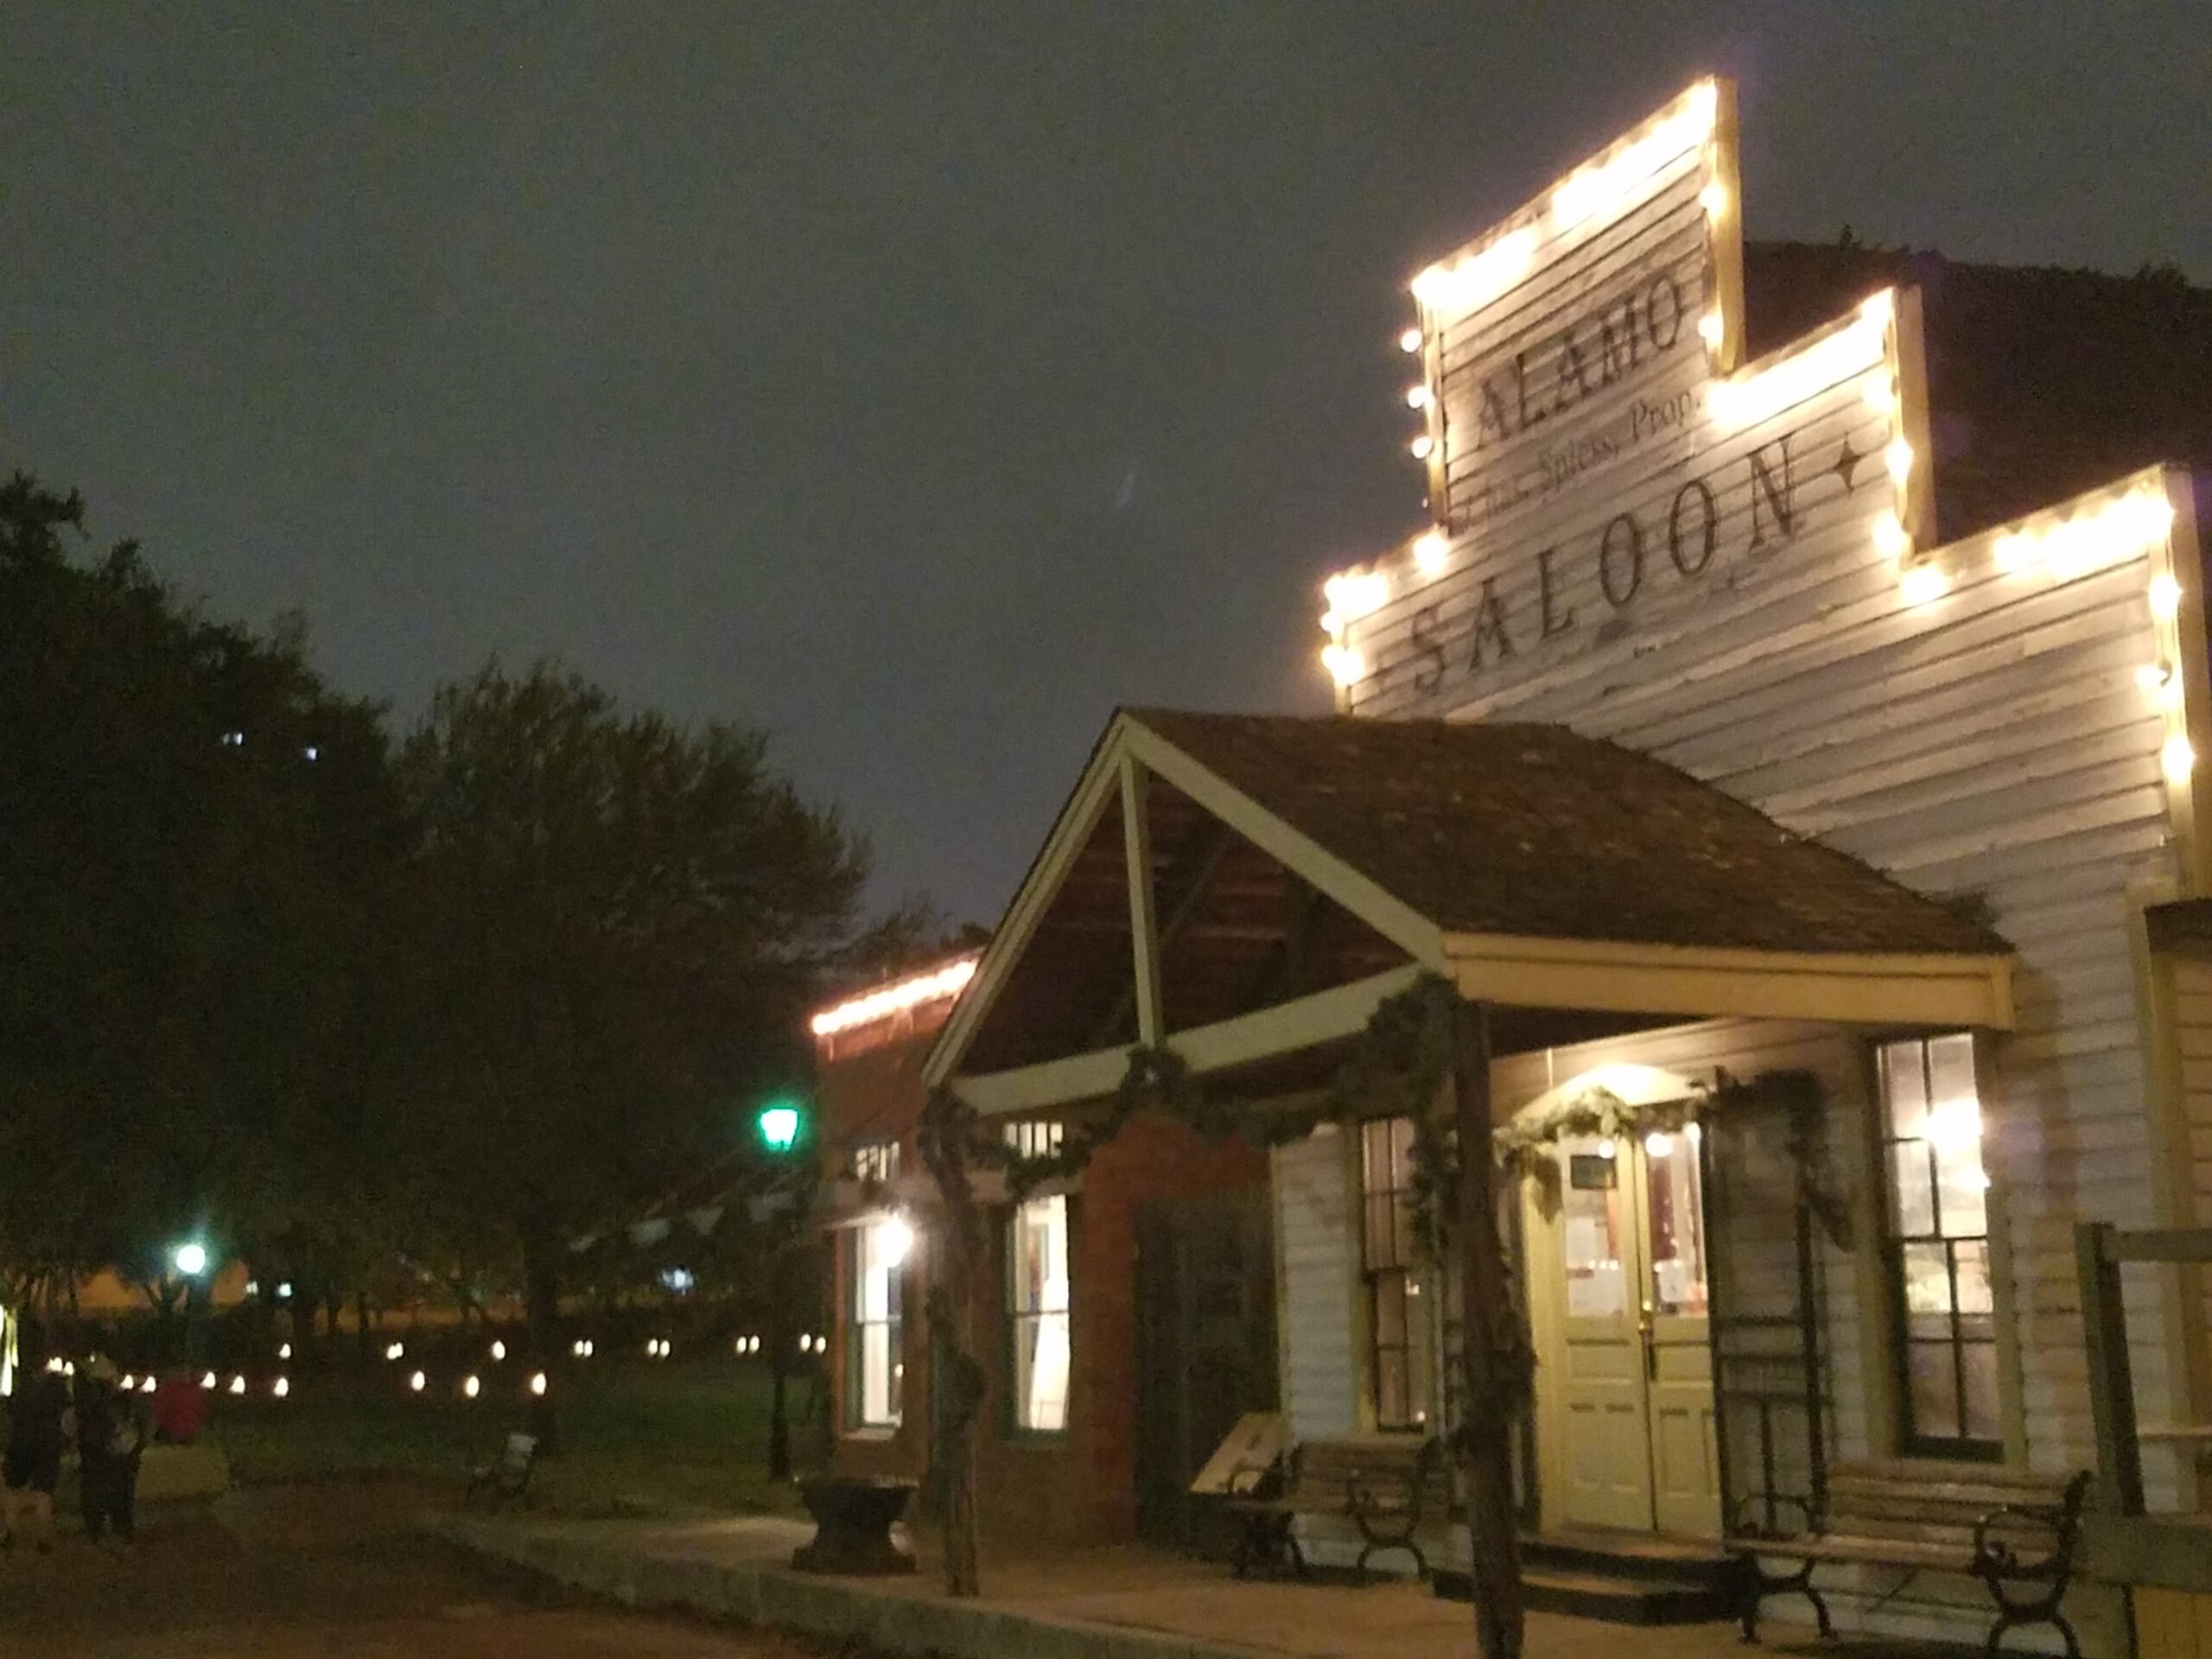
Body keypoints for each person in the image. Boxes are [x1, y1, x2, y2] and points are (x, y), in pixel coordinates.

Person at [73, 1356, 148, 1547]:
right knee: (122, 1497)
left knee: (93, 1496)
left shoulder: (86, 1401)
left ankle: (95, 1533)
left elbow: (81, 1430)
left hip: (95, 1458)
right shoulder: (127, 1399)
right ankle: (123, 1532)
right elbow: (141, 1427)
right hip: (123, 1459)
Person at [2, 1349, 69, 1552]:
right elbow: (67, 1412)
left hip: (20, 1441)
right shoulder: (57, 1387)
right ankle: (43, 1537)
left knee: (13, 1488)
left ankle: (10, 1531)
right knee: (43, 1492)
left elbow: (9, 1411)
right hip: (47, 1443)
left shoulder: (20, 1386)